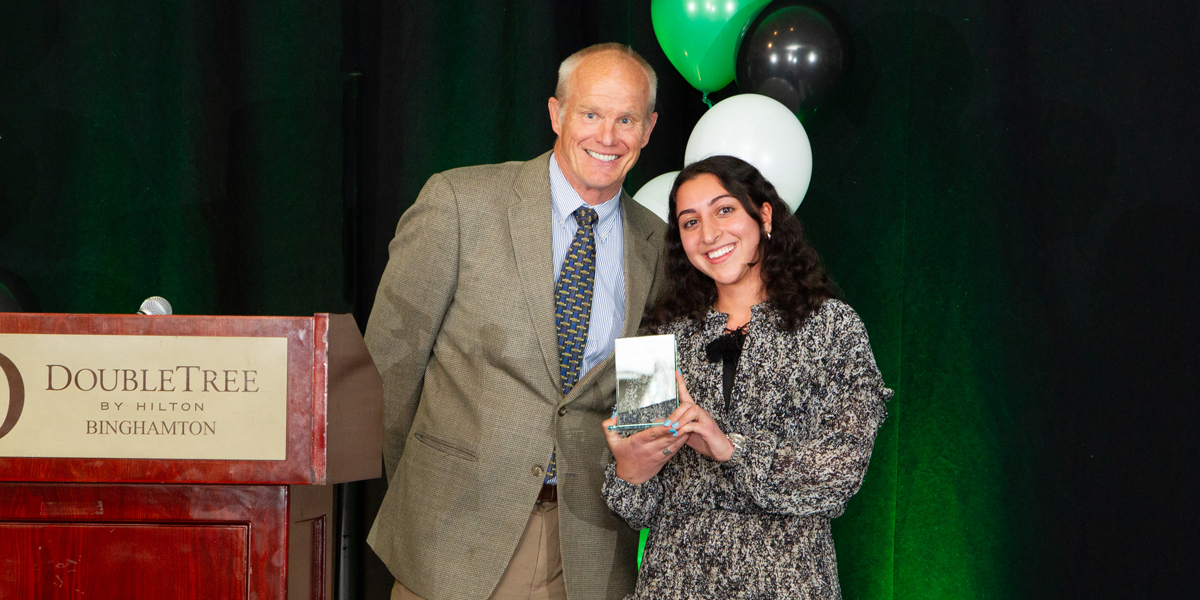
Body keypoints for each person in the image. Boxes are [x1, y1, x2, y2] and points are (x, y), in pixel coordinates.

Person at [365, 43, 665, 600]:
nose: (608, 136)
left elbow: (645, 409)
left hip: (590, 553)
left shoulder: (659, 248)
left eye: (626, 119)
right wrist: (422, 490)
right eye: (591, 114)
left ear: (648, 129)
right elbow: (389, 369)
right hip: (451, 537)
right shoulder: (460, 201)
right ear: (556, 114)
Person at [602, 155, 892, 599]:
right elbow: (636, 508)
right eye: (689, 222)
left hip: (788, 581)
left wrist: (731, 448)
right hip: (676, 581)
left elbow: (841, 473)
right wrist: (631, 468)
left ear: (764, 215)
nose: (710, 234)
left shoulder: (833, 327)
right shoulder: (659, 337)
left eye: (724, 210)